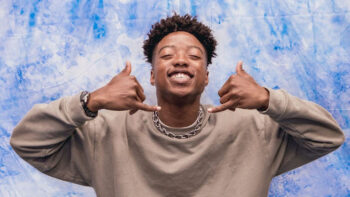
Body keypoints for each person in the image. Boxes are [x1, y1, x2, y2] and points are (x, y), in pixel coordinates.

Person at [10, 14, 345, 197]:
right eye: (167, 56)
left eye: (194, 56)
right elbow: (27, 142)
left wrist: (271, 100)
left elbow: (328, 138)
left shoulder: (254, 129)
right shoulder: (105, 134)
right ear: (153, 76)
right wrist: (90, 102)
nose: (181, 61)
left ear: (205, 77)